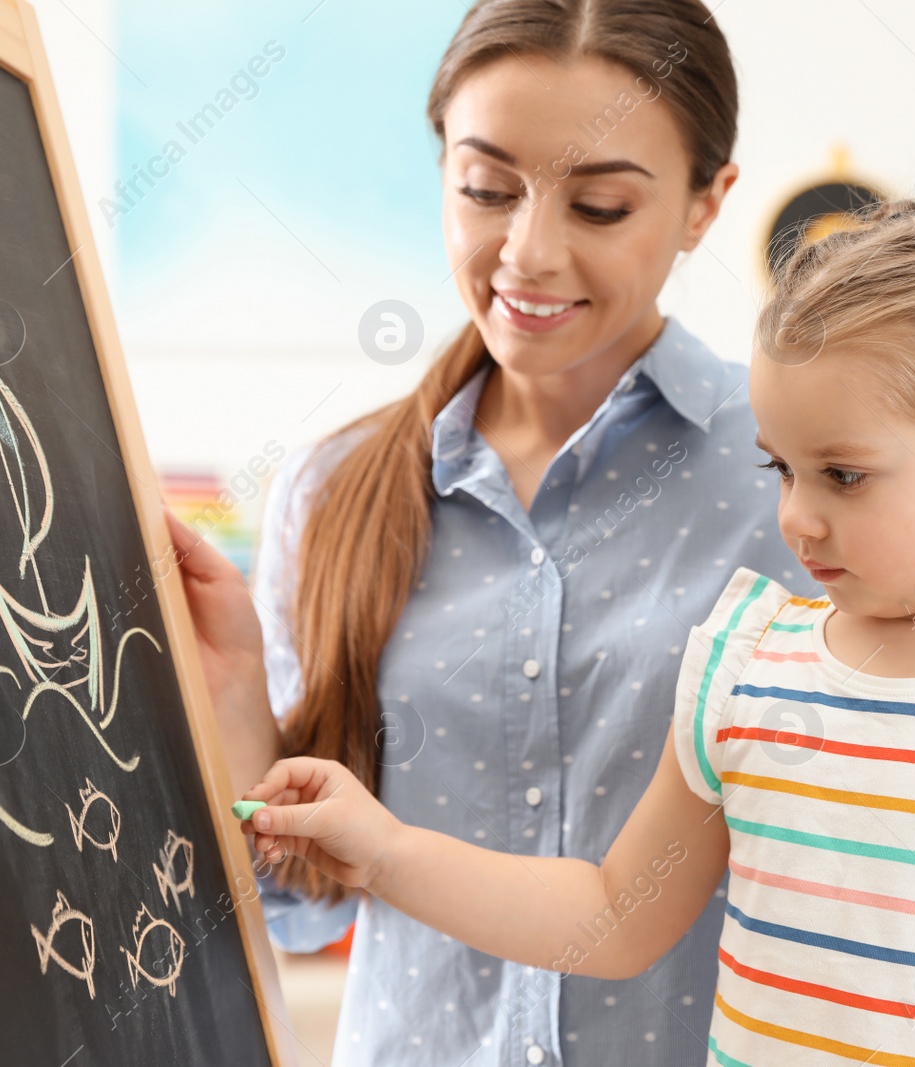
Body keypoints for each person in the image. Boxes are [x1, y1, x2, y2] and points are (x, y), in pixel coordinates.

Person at [235, 202, 915, 1065]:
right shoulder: (746, 662)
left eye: (841, 474)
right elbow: (610, 914)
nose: (795, 515)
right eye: (778, 468)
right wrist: (385, 847)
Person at [168, 1, 817, 1063]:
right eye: (485, 189)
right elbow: (303, 909)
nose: (527, 252)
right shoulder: (334, 488)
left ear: (707, 204)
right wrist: (240, 704)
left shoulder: (795, 476)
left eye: (600, 206)